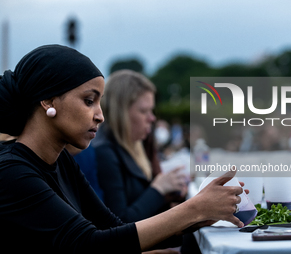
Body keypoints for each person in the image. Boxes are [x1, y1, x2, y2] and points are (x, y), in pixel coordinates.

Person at [0, 45, 246, 254]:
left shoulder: (61, 160)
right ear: (48, 100)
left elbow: (112, 228)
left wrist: (199, 217)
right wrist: (193, 209)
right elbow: (91, 244)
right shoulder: (12, 172)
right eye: (89, 101)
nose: (100, 116)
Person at [92, 70, 187, 223]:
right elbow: (119, 223)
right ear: (121, 112)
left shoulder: (136, 144)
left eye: (152, 110)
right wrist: (158, 189)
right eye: (144, 111)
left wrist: (169, 193)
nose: (152, 118)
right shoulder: (105, 152)